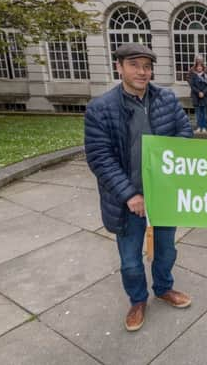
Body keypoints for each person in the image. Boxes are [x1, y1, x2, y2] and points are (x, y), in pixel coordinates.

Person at [84, 43, 192, 333]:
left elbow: (185, 134)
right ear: (118, 66)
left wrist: (172, 156)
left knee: (166, 251)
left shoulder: (166, 99)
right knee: (131, 260)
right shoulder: (100, 109)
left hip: (162, 194)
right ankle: (137, 300)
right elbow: (99, 158)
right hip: (126, 201)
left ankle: (164, 287)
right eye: (134, 65)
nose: (142, 72)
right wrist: (130, 194)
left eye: (146, 66)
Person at [190, 62, 207, 133]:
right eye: (198, 67)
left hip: (204, 96)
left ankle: (204, 127)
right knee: (198, 113)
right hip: (196, 96)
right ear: (196, 68)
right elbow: (192, 86)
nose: (199, 68)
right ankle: (199, 126)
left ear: (202, 67)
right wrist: (198, 92)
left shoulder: (206, 75)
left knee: (204, 113)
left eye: (200, 66)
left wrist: (203, 92)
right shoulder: (193, 75)